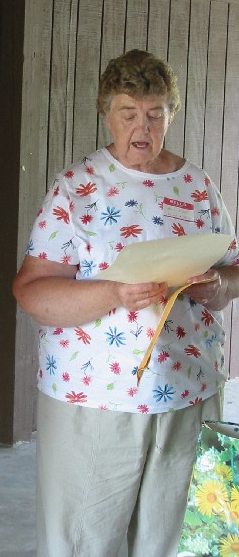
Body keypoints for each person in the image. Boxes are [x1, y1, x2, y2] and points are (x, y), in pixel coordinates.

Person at [13, 49, 239, 557]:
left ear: (171, 115)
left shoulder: (198, 186)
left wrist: (220, 286)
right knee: (83, 540)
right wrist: (114, 292)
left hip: (188, 390)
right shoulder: (76, 190)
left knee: (174, 538)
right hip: (95, 397)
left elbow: (233, 267)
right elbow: (32, 290)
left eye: (156, 114)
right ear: (106, 114)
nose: (143, 127)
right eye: (128, 113)